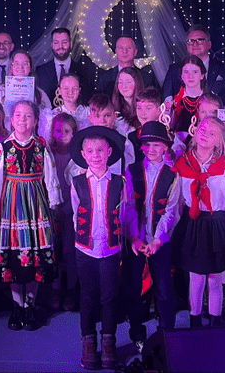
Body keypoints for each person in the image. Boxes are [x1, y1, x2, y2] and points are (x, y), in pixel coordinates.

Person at [0, 100, 62, 331]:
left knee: (34, 254)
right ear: (11, 119)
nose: (22, 120)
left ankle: (30, 306)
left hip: (35, 205)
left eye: (28, 116)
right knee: (14, 255)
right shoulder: (4, 147)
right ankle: (17, 307)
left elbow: (50, 176)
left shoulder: (41, 147)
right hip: (10, 205)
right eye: (18, 115)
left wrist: (54, 202)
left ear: (35, 120)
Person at [67, 125, 129, 369]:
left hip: (110, 249)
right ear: (83, 154)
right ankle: (88, 340)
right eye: (91, 151)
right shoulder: (78, 182)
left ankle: (109, 339)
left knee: (109, 295)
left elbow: (125, 213)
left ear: (109, 152)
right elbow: (76, 213)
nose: (96, 155)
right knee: (88, 295)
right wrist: (83, 236)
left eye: (100, 150)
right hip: (85, 249)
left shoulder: (120, 182)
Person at [174, 116, 225, 327]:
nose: (205, 134)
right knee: (196, 276)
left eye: (212, 133)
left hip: (216, 224)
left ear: (219, 141)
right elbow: (177, 200)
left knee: (215, 276)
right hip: (194, 223)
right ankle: (195, 320)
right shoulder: (182, 163)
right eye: (202, 128)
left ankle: (215, 321)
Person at [123, 120, 180, 342]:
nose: (151, 149)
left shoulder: (173, 174)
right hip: (136, 240)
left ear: (165, 146)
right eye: (146, 145)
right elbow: (128, 206)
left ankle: (166, 333)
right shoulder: (132, 171)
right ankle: (137, 332)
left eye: (156, 145)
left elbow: (171, 211)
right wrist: (134, 237)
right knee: (133, 288)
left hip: (159, 241)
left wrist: (158, 239)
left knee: (164, 289)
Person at [48, 111, 80, 312]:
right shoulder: (48, 153)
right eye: (58, 130)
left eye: (66, 131)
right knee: (53, 249)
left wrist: (67, 208)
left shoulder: (76, 156)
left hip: (71, 210)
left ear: (74, 133)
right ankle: (55, 289)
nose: (61, 135)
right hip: (52, 209)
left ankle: (70, 290)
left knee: (69, 251)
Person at [162, 25, 225, 101]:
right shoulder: (174, 69)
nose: (195, 44)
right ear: (186, 46)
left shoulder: (224, 68)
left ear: (209, 44)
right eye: (191, 41)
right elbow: (166, 97)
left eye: (200, 40)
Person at [35, 27, 94, 104]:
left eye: (64, 42)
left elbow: (87, 98)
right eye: (56, 43)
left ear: (71, 44)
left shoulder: (84, 70)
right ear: (52, 45)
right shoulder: (40, 71)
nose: (60, 46)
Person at [0, 49, 53, 117]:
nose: (20, 67)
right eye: (16, 63)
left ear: (30, 68)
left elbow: (48, 116)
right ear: (11, 67)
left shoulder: (40, 93)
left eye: (25, 64)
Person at [40, 72, 89, 142]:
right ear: (59, 91)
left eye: (75, 88)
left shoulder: (88, 113)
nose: (70, 92)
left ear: (79, 90)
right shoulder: (51, 116)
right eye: (66, 88)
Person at [167, 55, 207, 137]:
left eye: (195, 72)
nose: (190, 76)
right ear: (182, 76)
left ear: (202, 75)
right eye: (186, 72)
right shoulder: (174, 101)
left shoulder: (209, 100)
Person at [112, 65, 145, 139]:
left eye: (128, 82)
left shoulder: (145, 108)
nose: (124, 86)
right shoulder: (113, 109)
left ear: (137, 83)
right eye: (120, 82)